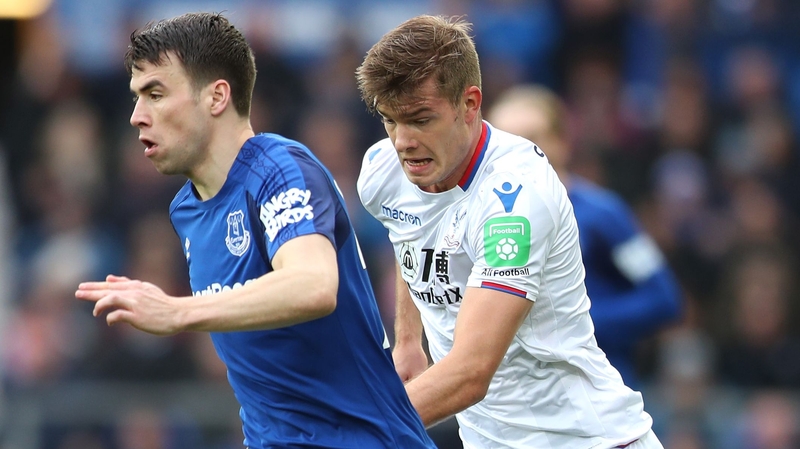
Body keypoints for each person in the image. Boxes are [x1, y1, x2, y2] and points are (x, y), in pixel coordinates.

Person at [74, 12, 435, 449]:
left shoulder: (280, 170)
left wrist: (178, 312)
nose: (136, 116)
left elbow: (314, 286)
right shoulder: (187, 208)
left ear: (217, 96)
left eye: (155, 93)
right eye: (136, 97)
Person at [356, 14, 664, 448]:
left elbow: (470, 372)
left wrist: (354, 428)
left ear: (470, 103)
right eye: (390, 120)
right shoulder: (382, 171)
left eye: (421, 119)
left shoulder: (515, 199)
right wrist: (409, 341)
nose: (403, 141)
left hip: (587, 439)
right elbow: (407, 232)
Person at [487, 84, 683, 387]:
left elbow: (663, 298)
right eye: (504, 142)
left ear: (563, 141)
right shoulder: (479, 220)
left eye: (531, 139)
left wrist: (578, 321)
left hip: (597, 386)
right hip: (516, 394)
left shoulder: (603, 214)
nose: (516, 153)